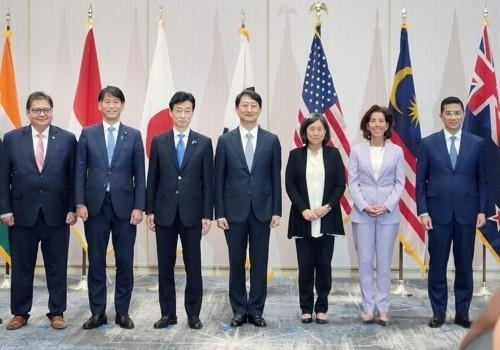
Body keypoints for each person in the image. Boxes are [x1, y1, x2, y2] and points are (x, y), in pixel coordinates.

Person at [0, 91, 77, 330]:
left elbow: (74, 178)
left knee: (57, 266)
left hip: (57, 214)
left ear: (52, 112)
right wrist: (5, 210)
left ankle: (57, 312)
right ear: (28, 113)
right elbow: (3, 177)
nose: (41, 114)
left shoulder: (67, 139)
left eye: (46, 110)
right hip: (22, 215)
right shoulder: (12, 139)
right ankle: (20, 313)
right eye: (36, 110)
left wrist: (72, 208)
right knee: (22, 266)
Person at [75, 85, 146, 330]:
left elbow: (140, 174)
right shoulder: (87, 133)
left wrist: (139, 207)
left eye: (116, 102)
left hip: (126, 209)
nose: (111, 105)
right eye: (107, 101)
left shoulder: (134, 135)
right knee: (96, 261)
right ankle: (98, 312)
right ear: (99, 105)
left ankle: (122, 312)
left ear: (122, 106)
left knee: (124, 261)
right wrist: (79, 203)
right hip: (94, 208)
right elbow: (79, 171)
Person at [416, 96, 487, 329]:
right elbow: (420, 182)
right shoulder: (428, 143)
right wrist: (423, 211)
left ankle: (462, 312)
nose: (453, 117)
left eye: (458, 113)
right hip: (437, 215)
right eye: (449, 113)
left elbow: (482, 180)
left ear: (463, 115)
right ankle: (438, 312)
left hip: (467, 213)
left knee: (464, 264)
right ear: (441, 116)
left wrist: (482, 210)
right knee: (437, 265)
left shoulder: (476, 143)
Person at [146, 91, 214, 330]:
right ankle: (168, 314)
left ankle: (193, 314)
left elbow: (208, 182)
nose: (183, 115)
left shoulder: (204, 143)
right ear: (170, 112)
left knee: (193, 267)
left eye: (187, 111)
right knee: (165, 267)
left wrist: (208, 214)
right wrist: (149, 211)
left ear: (192, 113)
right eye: (179, 110)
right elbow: (152, 179)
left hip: (193, 214)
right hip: (164, 213)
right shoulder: (159, 141)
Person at [215, 89, 282, 328]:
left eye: (253, 105)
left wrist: (277, 210)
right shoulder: (225, 141)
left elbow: (276, 177)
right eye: (244, 105)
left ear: (259, 109)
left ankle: (255, 310)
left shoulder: (271, 140)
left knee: (260, 262)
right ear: (237, 109)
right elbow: (218, 179)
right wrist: (219, 212)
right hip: (233, 212)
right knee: (236, 263)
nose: (249, 109)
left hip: (262, 211)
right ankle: (238, 310)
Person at [285, 113, 345, 324]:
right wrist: (304, 210)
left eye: (320, 129)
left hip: (326, 218)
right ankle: (305, 308)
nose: (316, 132)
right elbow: (290, 185)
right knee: (305, 266)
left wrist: (327, 207)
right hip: (303, 219)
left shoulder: (334, 155)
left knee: (324, 265)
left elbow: (340, 184)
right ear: (305, 132)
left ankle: (322, 307)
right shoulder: (295, 155)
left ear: (325, 132)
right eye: (312, 129)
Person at [348, 105, 405, 326]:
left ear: (387, 125)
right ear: (367, 125)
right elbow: (352, 182)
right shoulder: (356, 151)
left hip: (388, 215)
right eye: (373, 120)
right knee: (364, 261)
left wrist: (387, 205)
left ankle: (383, 308)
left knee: (383, 262)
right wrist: (363, 205)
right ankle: (368, 308)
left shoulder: (397, 152)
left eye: (381, 120)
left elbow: (400, 183)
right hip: (362, 215)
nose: (377, 124)